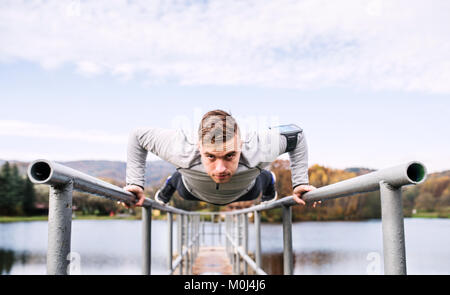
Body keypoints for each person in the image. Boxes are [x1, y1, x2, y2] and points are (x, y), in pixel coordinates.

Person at [124, 109, 318, 207]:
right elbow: (137, 136)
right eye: (210, 156)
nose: (220, 169)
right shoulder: (182, 147)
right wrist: (135, 183)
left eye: (230, 155)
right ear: (199, 146)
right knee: (179, 182)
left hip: (245, 191)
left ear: (240, 144)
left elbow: (297, 136)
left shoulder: (259, 146)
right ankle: (171, 183)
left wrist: (300, 182)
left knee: (262, 178)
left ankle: (268, 179)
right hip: (193, 191)